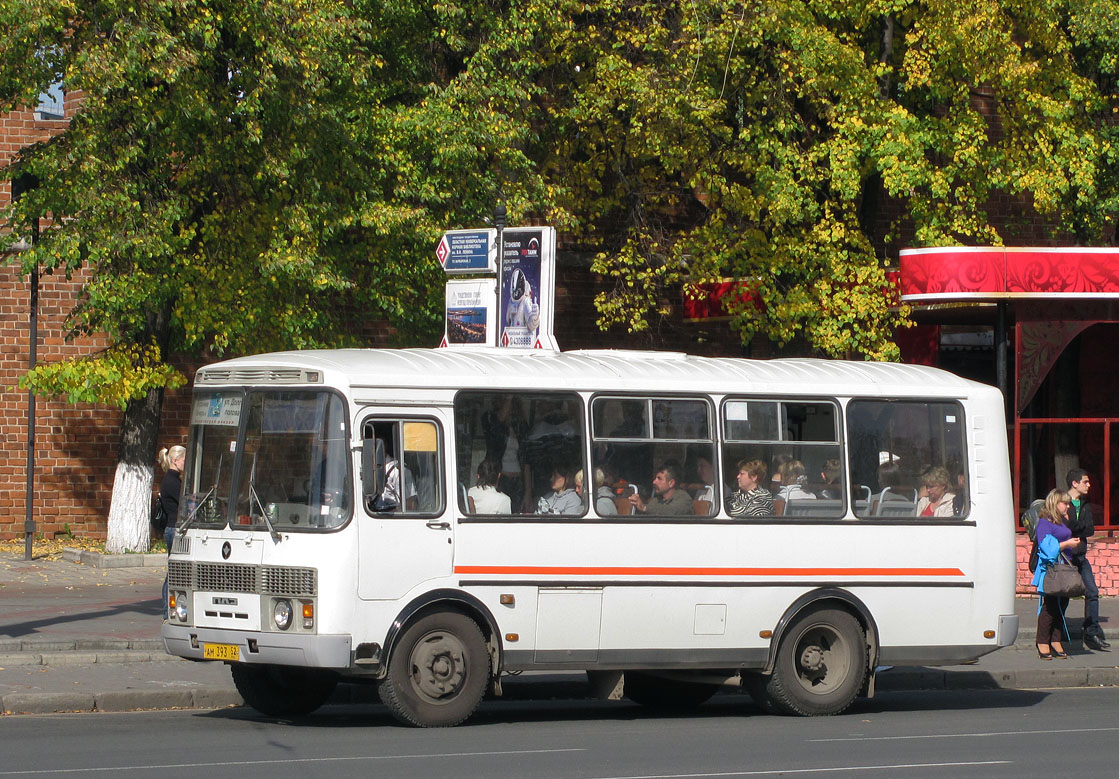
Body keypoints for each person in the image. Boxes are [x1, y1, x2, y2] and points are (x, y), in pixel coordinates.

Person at [1032, 489, 1082, 659]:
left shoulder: (1061, 521)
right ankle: (1042, 641)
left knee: (1062, 605)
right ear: (1055, 503)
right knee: (1051, 606)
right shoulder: (1045, 522)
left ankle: (1055, 639)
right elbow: (1047, 548)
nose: (1068, 506)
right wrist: (1067, 543)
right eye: (1065, 503)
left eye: (1069, 503)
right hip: (1053, 570)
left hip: (1065, 568)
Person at [1066, 469, 1109, 650]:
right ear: (1075, 483)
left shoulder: (1084, 505)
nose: (1089, 485)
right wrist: (1077, 527)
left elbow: (1089, 530)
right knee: (1062, 594)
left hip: (1081, 556)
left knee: (1092, 591)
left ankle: (1091, 632)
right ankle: (1056, 630)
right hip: (1065, 555)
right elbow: (1063, 527)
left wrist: (1075, 527)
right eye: (1085, 482)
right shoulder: (1062, 501)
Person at [158, 445, 185, 620]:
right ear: (175, 460)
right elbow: (184, 501)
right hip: (174, 529)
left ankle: (170, 609)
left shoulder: (173, 479)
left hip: (173, 528)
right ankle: (167, 611)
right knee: (174, 571)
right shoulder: (172, 482)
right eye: (184, 460)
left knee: (175, 571)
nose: (185, 463)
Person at [629, 461, 693, 516]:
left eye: (659, 479)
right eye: (655, 478)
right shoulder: (656, 501)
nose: (654, 482)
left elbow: (672, 511)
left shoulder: (684, 498)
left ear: (671, 483)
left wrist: (644, 508)